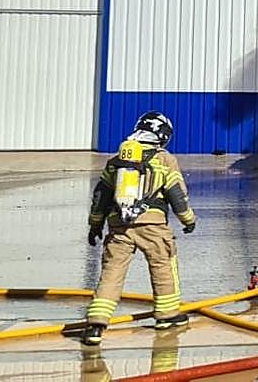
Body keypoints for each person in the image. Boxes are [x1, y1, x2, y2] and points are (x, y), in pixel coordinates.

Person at [81, 111, 197, 347]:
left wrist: (95, 225)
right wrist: (188, 220)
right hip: (153, 225)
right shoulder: (164, 159)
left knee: (112, 271)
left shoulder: (116, 161)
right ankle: (167, 315)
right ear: (163, 136)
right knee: (163, 264)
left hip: (119, 227)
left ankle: (96, 324)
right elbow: (176, 193)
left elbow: (101, 196)